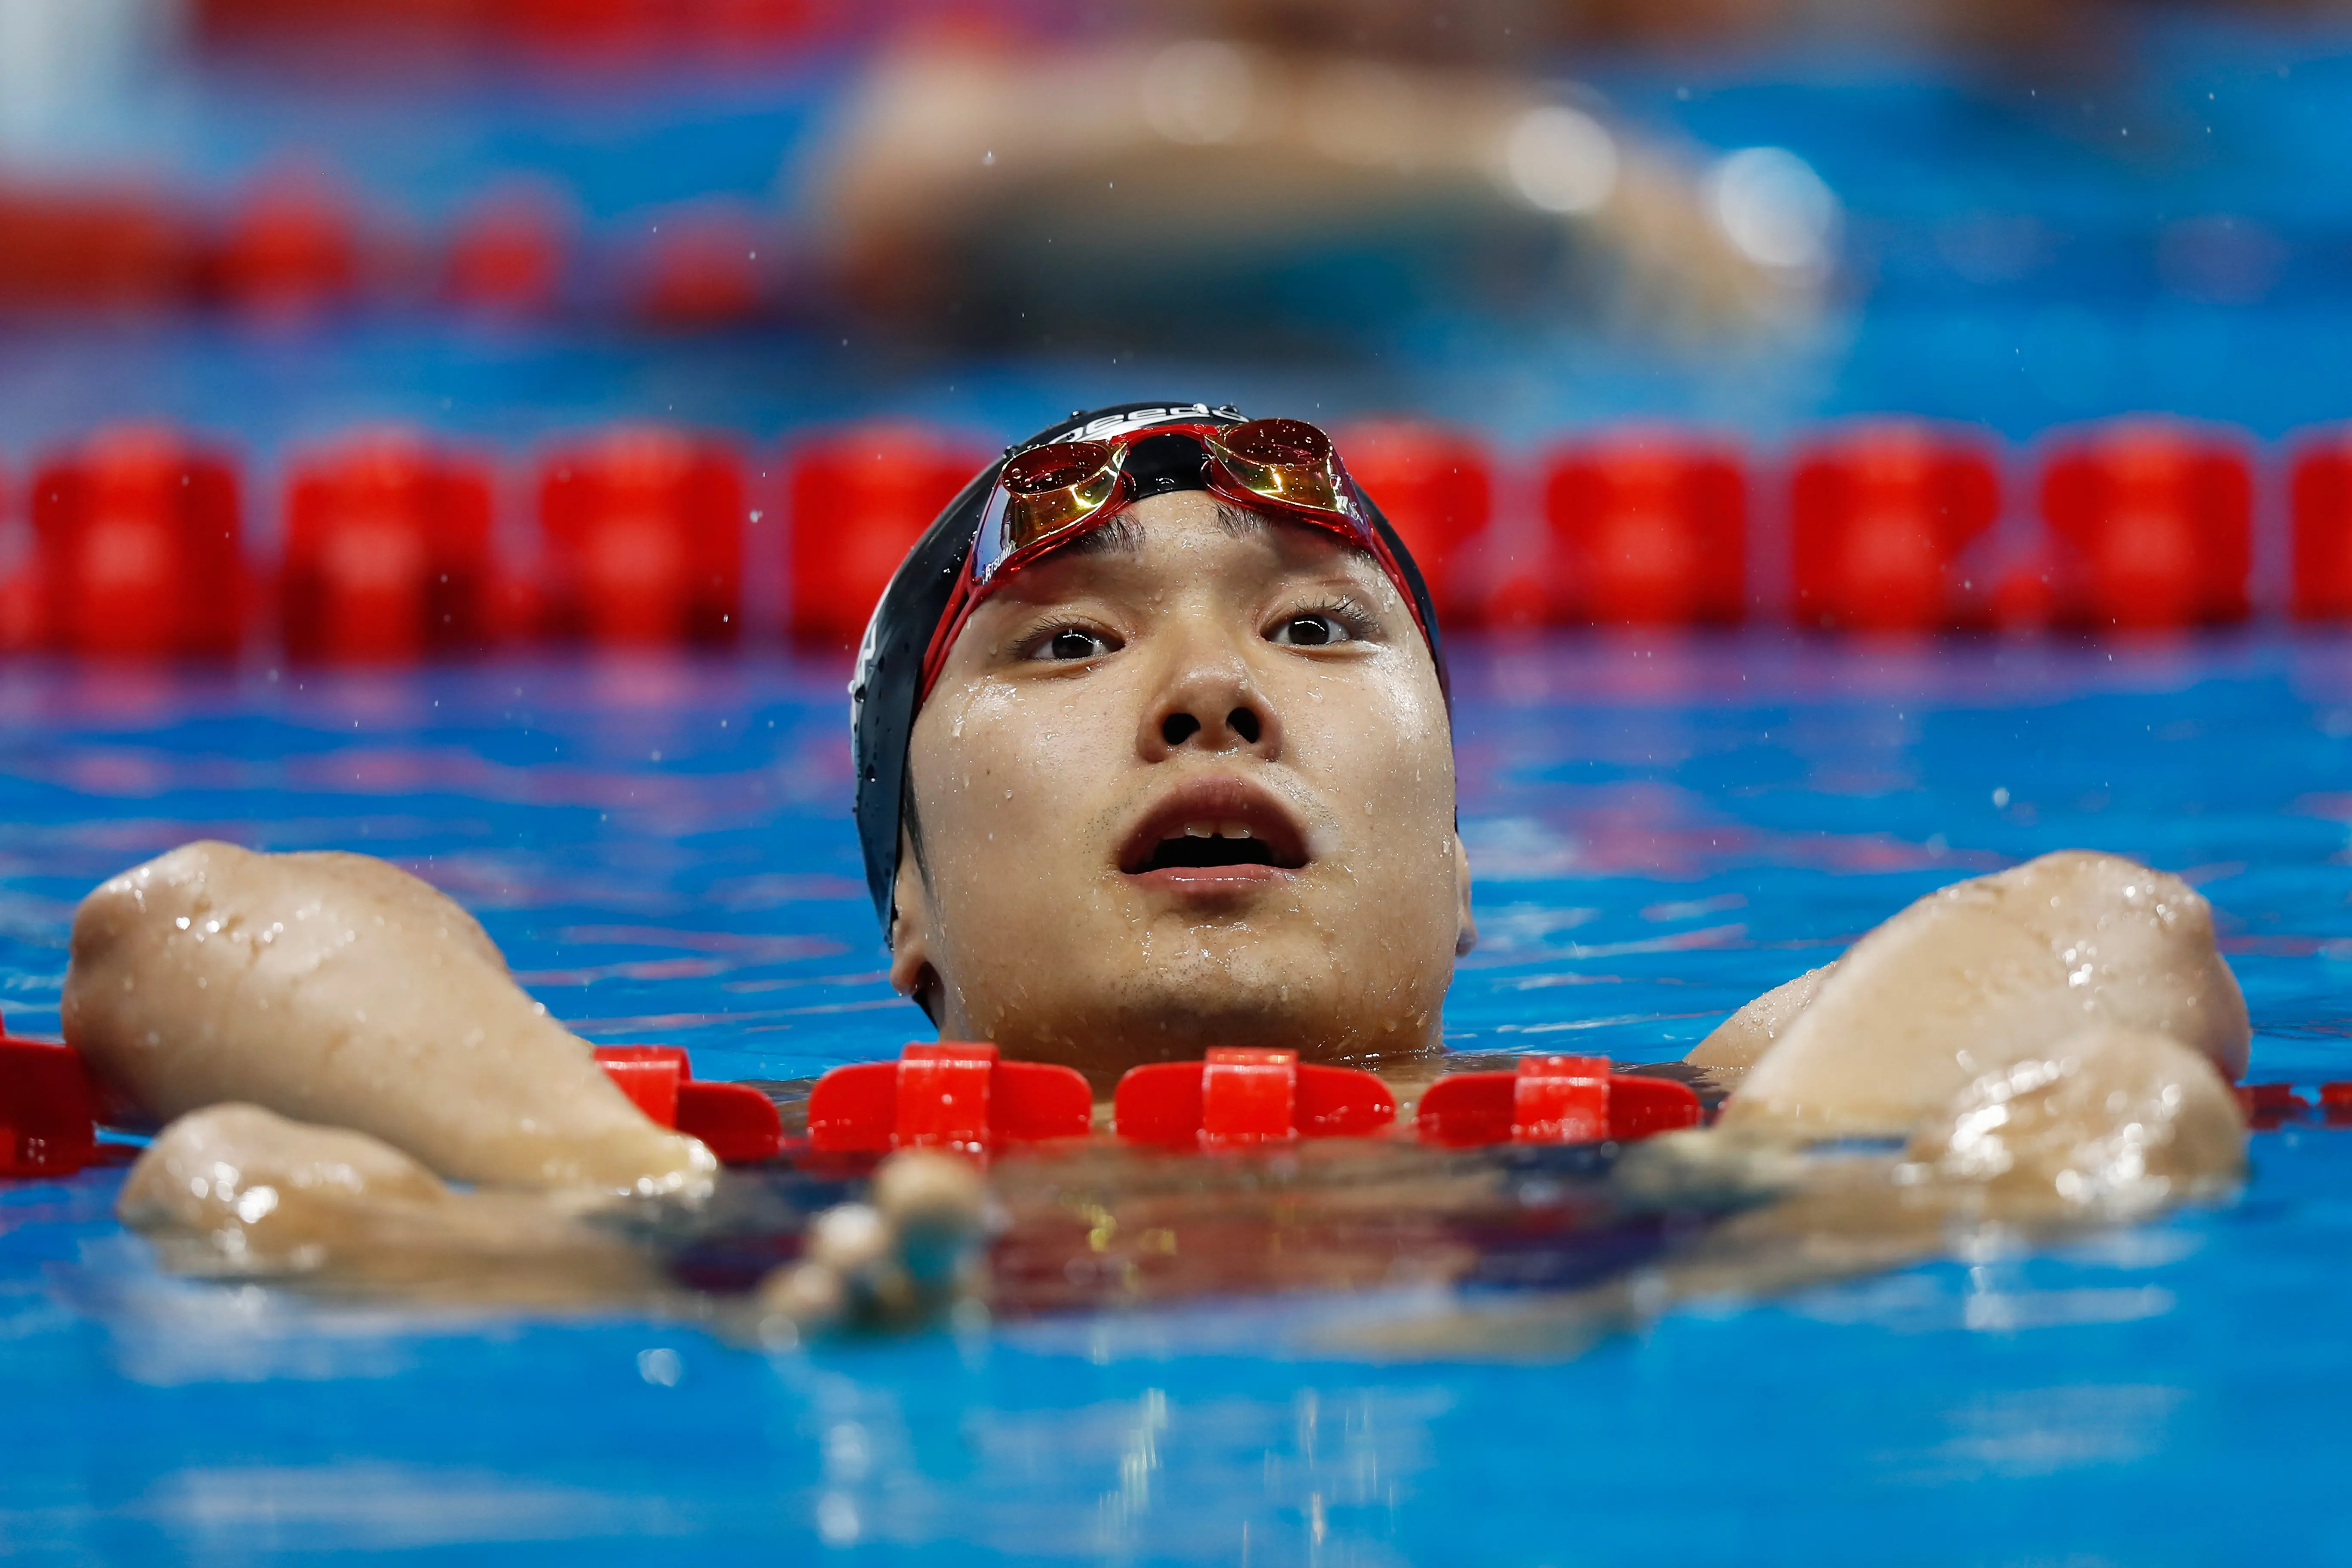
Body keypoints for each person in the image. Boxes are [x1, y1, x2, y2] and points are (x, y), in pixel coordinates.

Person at [66, 402, 2251, 1334]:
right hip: (785, 1314)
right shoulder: (726, 1179)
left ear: (1467, 874)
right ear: (902, 910)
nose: (1211, 697)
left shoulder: (1678, 1126)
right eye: (1071, 645)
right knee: (239, 1177)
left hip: (1635, 1288)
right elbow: (175, 939)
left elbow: (2101, 938)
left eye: (1316, 632)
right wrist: (621, 1220)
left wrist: (1771, 1216)